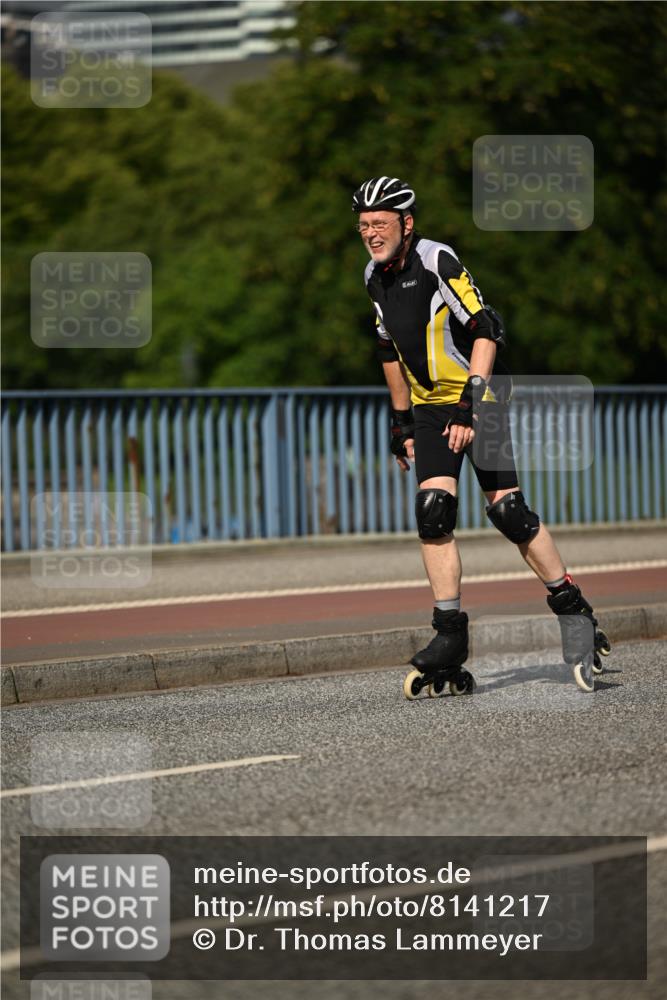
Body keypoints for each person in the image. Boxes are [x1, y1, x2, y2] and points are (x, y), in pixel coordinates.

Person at [353, 176, 610, 695]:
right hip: (427, 409)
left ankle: (573, 609)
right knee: (433, 514)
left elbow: (487, 329)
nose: (371, 235)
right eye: (363, 226)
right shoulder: (372, 277)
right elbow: (388, 352)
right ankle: (448, 636)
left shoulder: (437, 260)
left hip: (479, 398)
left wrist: (470, 405)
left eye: (380, 224)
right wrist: (399, 421)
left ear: (407, 223)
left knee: (508, 513)